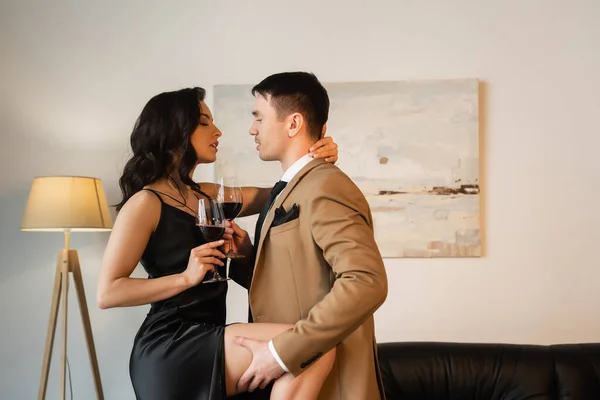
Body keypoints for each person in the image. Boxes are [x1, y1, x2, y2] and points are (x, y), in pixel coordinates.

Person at [96, 86, 340, 400]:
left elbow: (284, 191)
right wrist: (186, 277)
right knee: (311, 345)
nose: (217, 131)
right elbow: (108, 292)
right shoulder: (146, 202)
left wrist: (317, 157)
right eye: (204, 122)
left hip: (211, 335)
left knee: (310, 347)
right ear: (175, 129)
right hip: (171, 344)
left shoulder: (207, 196)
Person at [227, 72, 388, 400]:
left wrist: (281, 352)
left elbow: (366, 281)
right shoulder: (295, 187)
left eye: (259, 117)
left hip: (326, 383)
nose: (252, 129)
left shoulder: (325, 185)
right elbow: (298, 280)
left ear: (293, 123)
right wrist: (246, 255)